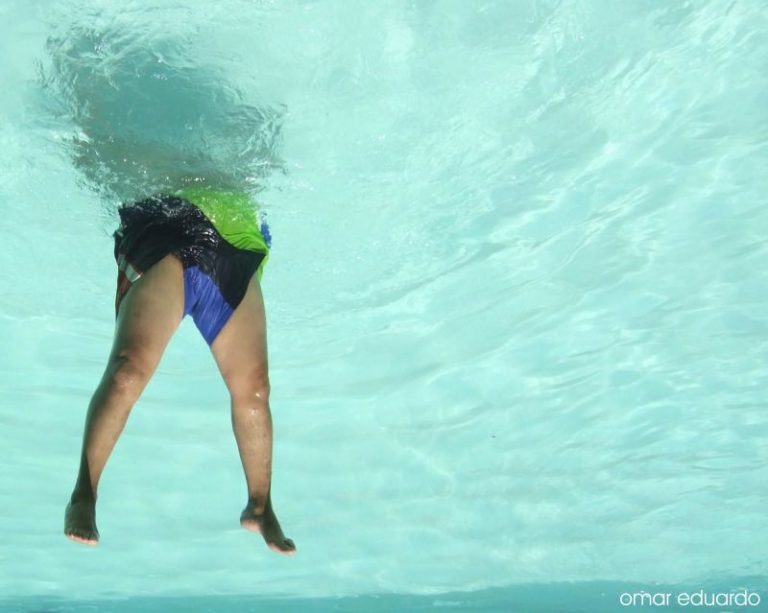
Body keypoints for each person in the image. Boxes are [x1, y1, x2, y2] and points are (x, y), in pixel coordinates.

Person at [63, 185, 296, 555]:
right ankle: (84, 493)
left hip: (234, 241)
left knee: (255, 390)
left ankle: (259, 505)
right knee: (129, 369)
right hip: (163, 225)